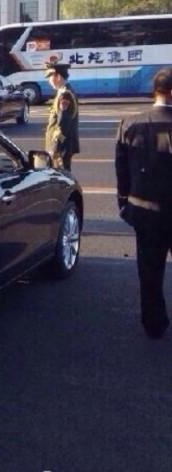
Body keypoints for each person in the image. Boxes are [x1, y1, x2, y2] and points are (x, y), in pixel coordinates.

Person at [115, 68, 172, 339]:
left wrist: (124, 204)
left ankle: (154, 323)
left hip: (144, 210)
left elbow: (121, 170)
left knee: (149, 269)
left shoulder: (130, 123)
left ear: (156, 91)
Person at [44, 62, 80, 171]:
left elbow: (62, 124)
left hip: (61, 147)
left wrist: (55, 147)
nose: (49, 81)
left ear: (58, 77)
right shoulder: (63, 92)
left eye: (50, 77)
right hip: (63, 146)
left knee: (62, 175)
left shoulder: (65, 95)